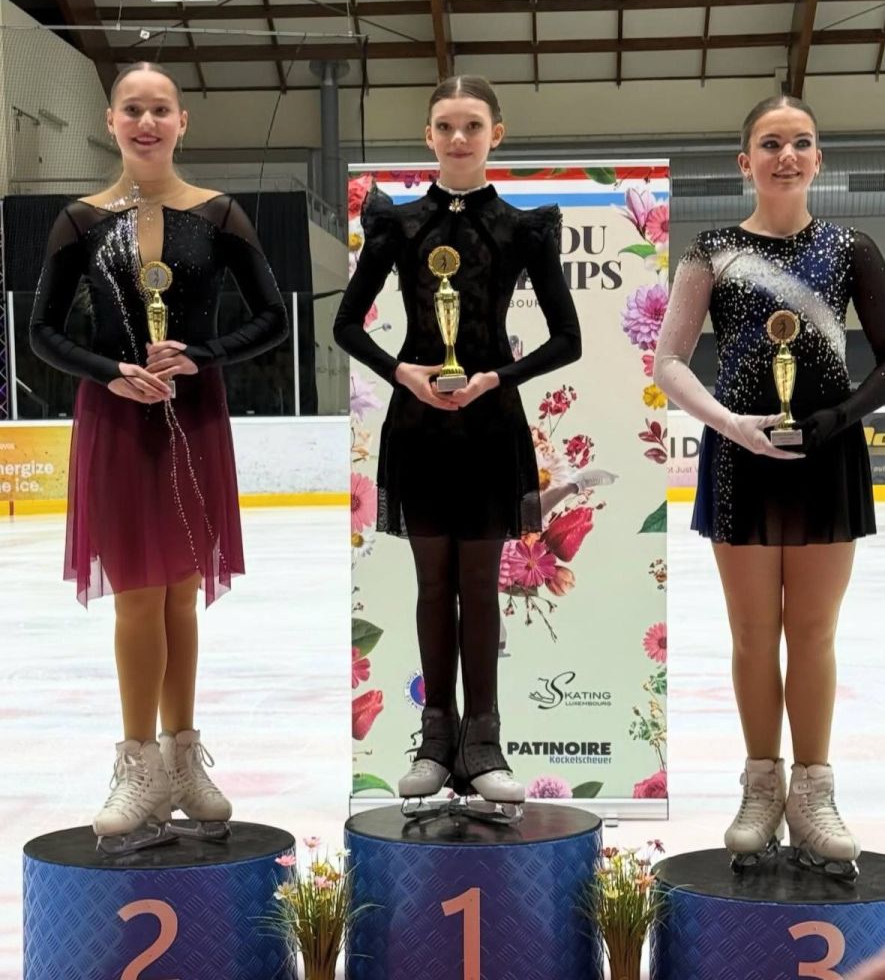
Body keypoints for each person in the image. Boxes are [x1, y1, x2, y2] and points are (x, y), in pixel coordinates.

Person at [30, 61, 288, 853]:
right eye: (132, 110)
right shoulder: (80, 221)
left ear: (182, 122)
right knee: (137, 597)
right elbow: (44, 333)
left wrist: (201, 356)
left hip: (193, 418)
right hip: (115, 422)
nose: (147, 123)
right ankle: (137, 763)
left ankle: (182, 760)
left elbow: (272, 319)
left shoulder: (218, 215)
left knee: (181, 595)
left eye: (160, 110)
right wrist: (109, 373)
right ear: (109, 122)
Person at [334, 75, 581, 810]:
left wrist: (495, 378)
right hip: (417, 429)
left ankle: (484, 744)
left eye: (472, 125)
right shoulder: (398, 225)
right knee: (431, 586)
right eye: (445, 126)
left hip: (489, 427)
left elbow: (566, 340)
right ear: (428, 136)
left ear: (495, 134)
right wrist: (401, 372)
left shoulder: (522, 228)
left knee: (479, 586)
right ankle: (435, 741)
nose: (458, 138)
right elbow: (345, 325)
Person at [655, 95, 885, 881]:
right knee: (753, 633)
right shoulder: (710, 251)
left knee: (812, 632)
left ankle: (812, 792)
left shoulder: (852, 248)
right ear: (743, 161)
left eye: (800, 142)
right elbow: (669, 361)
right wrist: (729, 424)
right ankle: (761, 786)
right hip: (737, 457)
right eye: (769, 143)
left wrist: (838, 418)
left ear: (818, 159)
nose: (785, 155)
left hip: (827, 454)